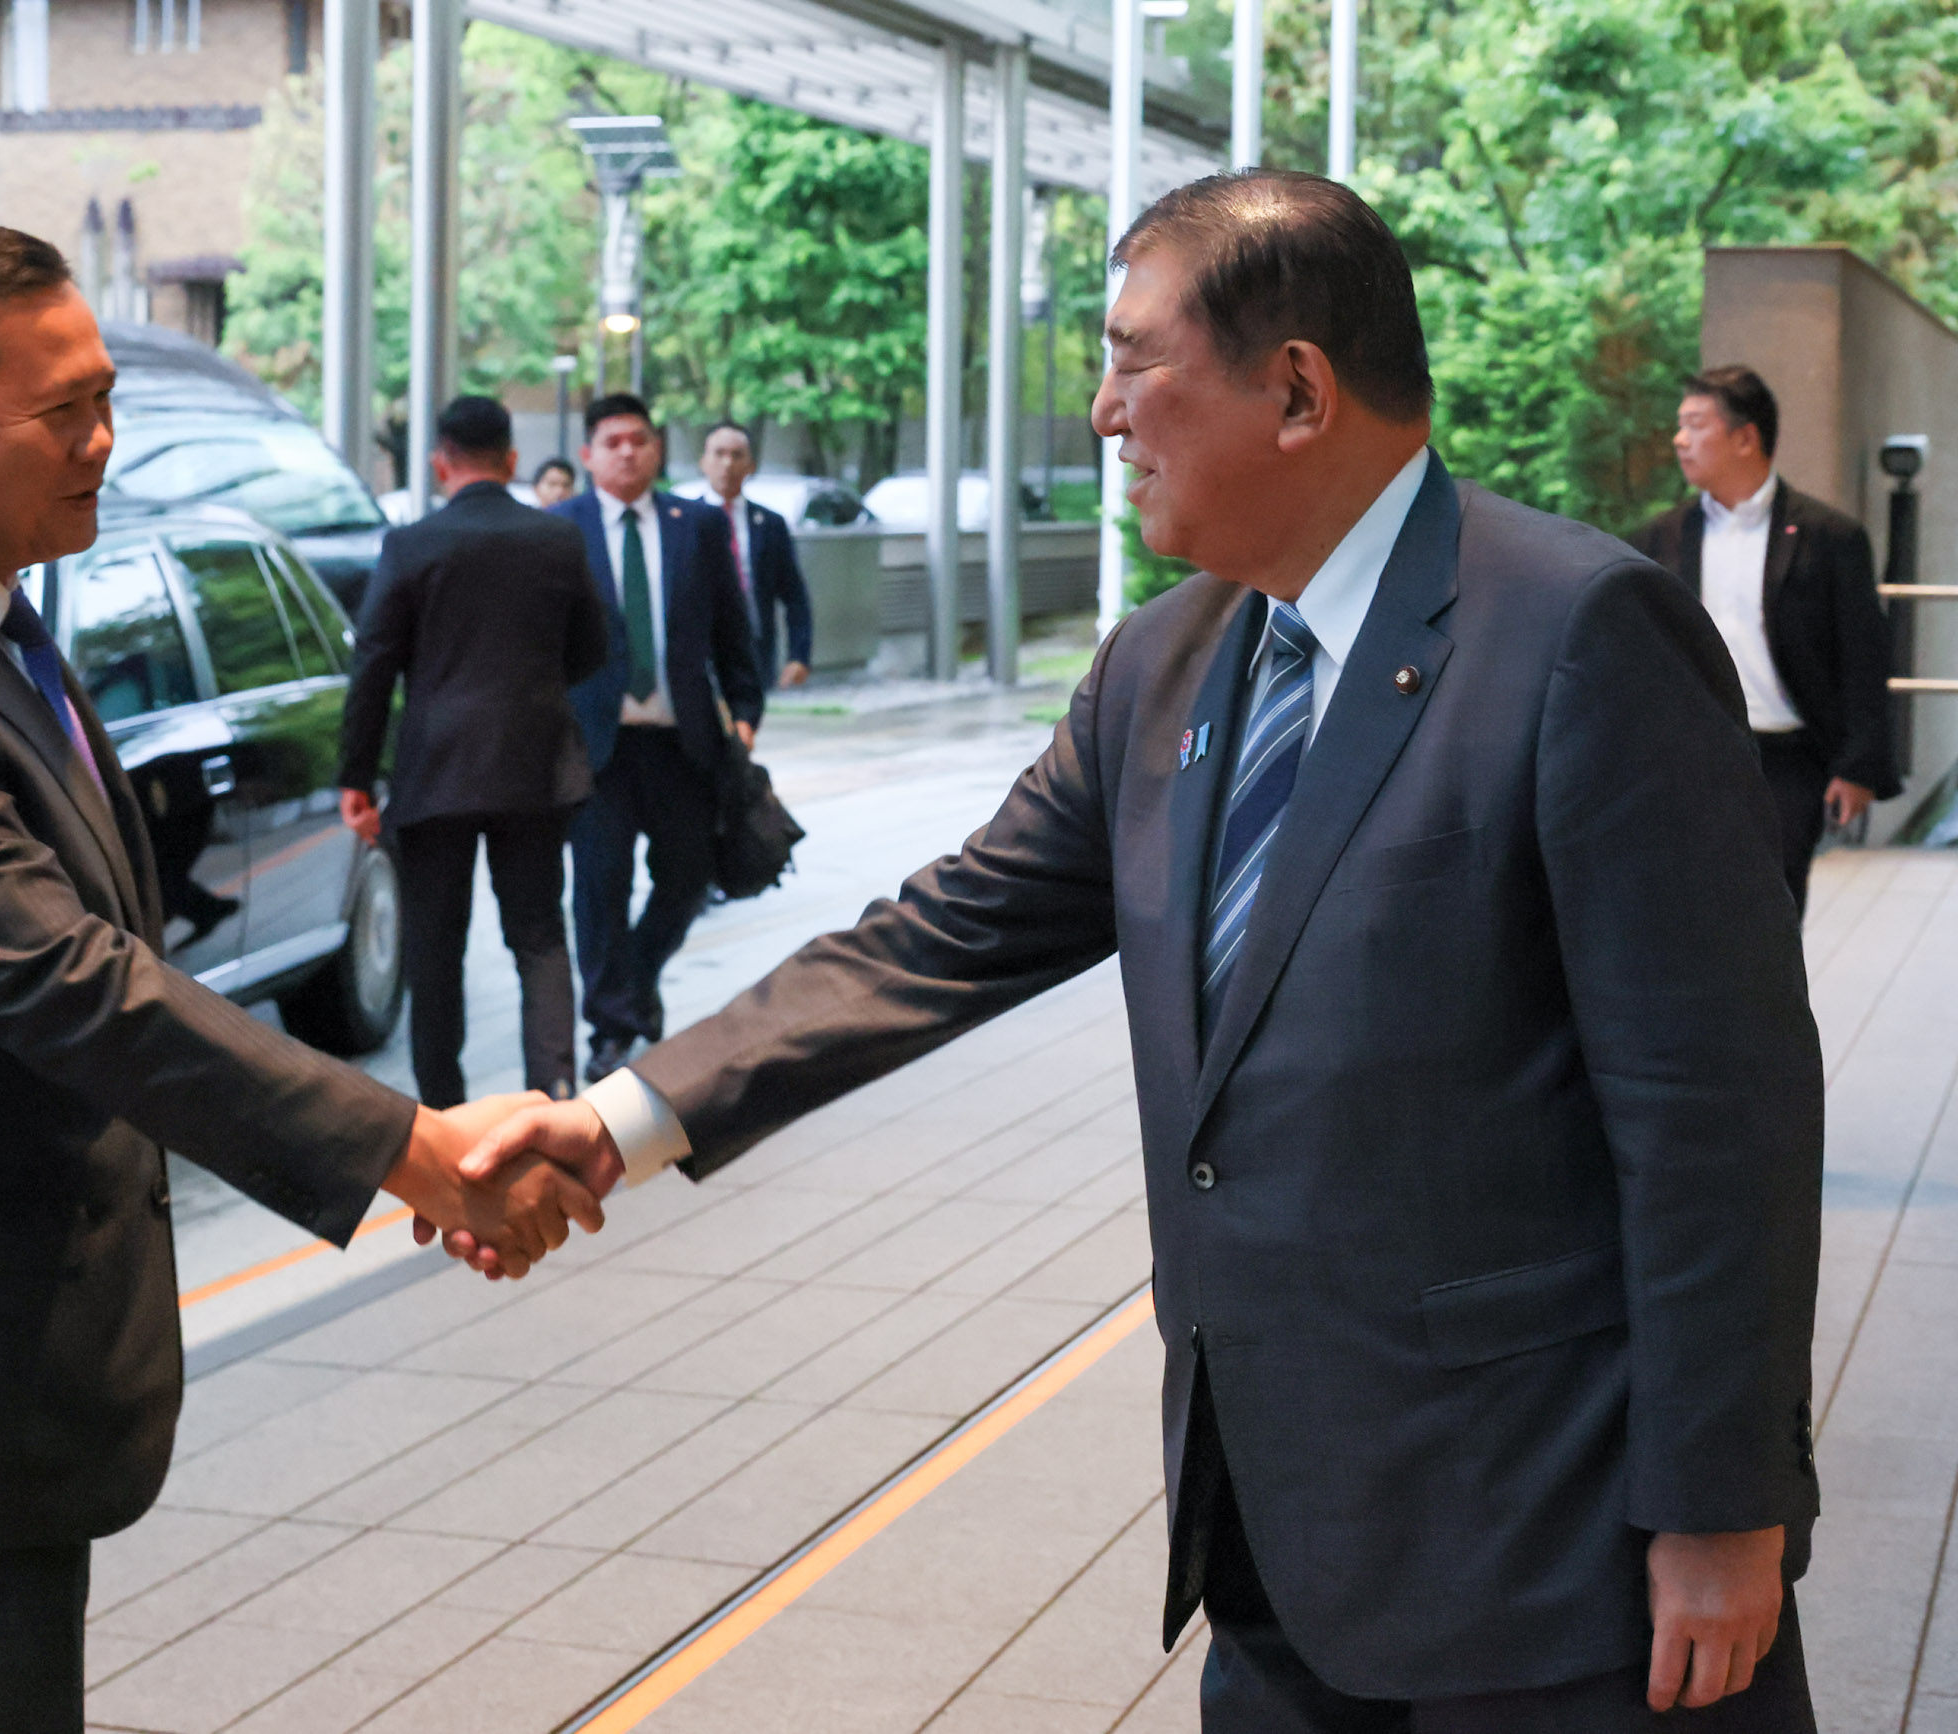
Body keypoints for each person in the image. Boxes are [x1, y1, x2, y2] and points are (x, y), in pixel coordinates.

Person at [458, 172, 1822, 1731]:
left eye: (1131, 362)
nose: (1105, 412)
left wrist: (1724, 1504)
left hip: (1548, 1553)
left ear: (1296, 389)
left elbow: (1717, 1112)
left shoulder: (1580, 633)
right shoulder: (1161, 665)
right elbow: (939, 935)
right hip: (1272, 1547)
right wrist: (618, 1121)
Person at [0, 222, 598, 1734]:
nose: (103, 441)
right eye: (61, 411)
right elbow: (73, 985)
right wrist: (415, 1149)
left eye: (108, 398)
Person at [338, 395, 607, 1107]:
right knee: (539, 937)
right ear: (512, 460)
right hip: (536, 767)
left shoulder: (411, 545)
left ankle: (444, 1110)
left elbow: (373, 666)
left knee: (435, 949)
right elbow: (593, 648)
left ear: (440, 462)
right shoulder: (557, 539)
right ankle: (553, 1094)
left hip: (438, 772)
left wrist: (356, 775)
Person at [549, 394, 765, 1085]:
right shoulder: (560, 530)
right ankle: (612, 1027)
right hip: (598, 749)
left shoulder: (695, 525)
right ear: (588, 455)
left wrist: (746, 710)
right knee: (600, 890)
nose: (627, 452)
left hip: (682, 744)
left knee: (687, 879)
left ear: (657, 450)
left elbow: (732, 628)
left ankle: (634, 983)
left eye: (639, 440)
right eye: (612, 442)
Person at [1633, 365, 1901, 916]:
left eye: (1695, 425)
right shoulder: (1659, 539)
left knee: (1771, 914)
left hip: (1787, 759)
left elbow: (1863, 656)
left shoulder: (1830, 537)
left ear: (1745, 438)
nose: (1679, 440)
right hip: (1689, 754)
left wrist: (1858, 767)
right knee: (1688, 912)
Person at [694, 421, 814, 691]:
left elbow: (794, 595)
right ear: (703, 462)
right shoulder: (685, 521)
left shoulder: (770, 524)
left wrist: (799, 654)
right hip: (698, 652)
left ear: (751, 465)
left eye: (737, 455)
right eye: (719, 454)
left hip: (753, 650)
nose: (728, 464)